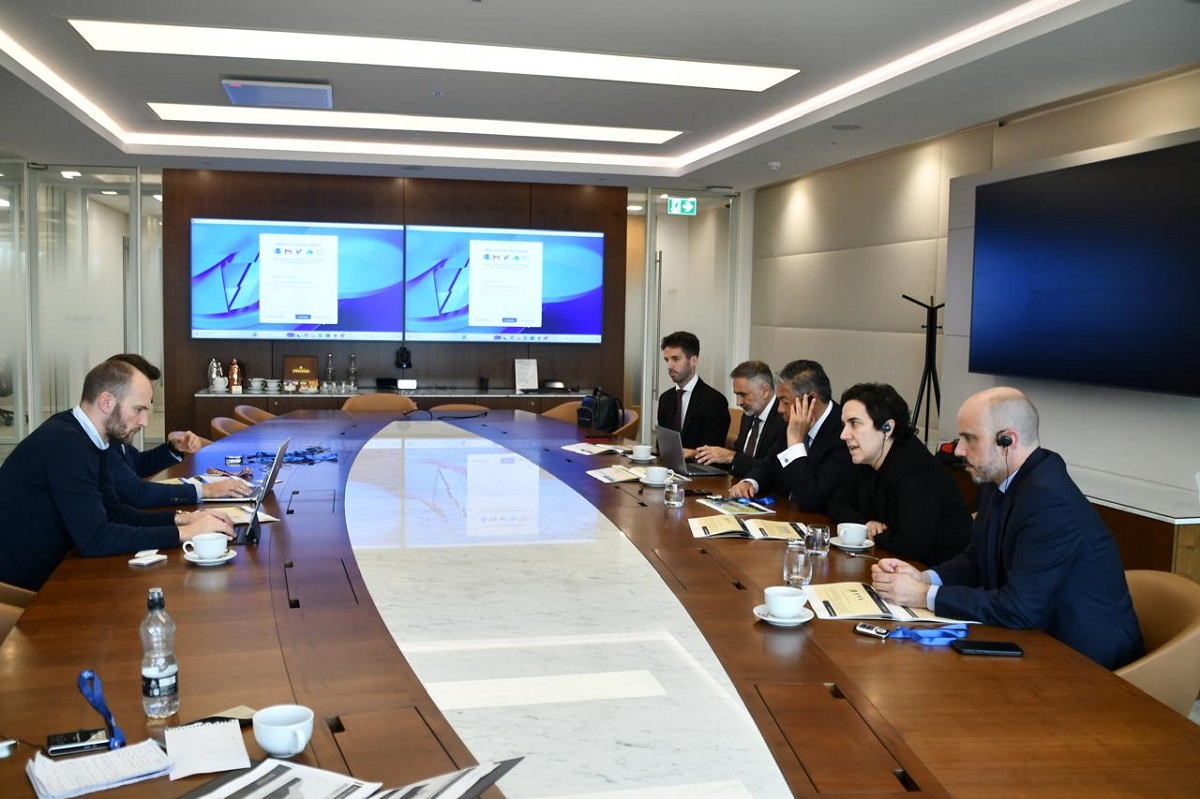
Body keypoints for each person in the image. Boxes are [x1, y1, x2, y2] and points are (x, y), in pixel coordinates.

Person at [871, 387, 1143, 670]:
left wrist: (922, 596)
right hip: (1035, 639)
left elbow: (1018, 607)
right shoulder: (999, 479)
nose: (959, 450)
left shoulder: (1049, 501)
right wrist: (926, 578)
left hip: (1086, 661)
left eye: (969, 439)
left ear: (1007, 440)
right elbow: (977, 558)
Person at [0, 359, 234, 591]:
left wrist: (182, 519)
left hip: (53, 572)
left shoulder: (87, 438)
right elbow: (96, 539)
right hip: (26, 591)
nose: (144, 422)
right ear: (106, 402)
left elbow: (114, 512)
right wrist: (185, 534)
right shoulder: (67, 445)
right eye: (138, 409)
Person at [827, 383, 970, 564]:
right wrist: (866, 525)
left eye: (854, 423)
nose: (844, 434)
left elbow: (912, 545)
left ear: (887, 427)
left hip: (936, 576)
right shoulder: (869, 459)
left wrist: (873, 534)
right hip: (896, 565)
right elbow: (836, 504)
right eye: (844, 424)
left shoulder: (917, 469)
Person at [106, 354, 252, 507]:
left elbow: (136, 464)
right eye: (139, 407)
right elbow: (137, 493)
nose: (145, 421)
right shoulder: (99, 443)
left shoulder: (114, 434)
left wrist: (174, 449)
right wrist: (204, 490)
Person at [728, 359, 853, 513]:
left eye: (785, 402)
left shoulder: (843, 432)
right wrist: (749, 482)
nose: (780, 409)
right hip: (785, 513)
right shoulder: (790, 422)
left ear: (811, 399)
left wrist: (795, 443)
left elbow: (811, 498)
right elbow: (768, 466)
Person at [695, 360, 786, 477]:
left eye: (743, 395)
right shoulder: (748, 415)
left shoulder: (783, 419)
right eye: (736, 395)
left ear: (764, 390)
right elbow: (739, 458)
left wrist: (731, 457)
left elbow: (774, 469)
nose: (738, 402)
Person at [655, 331, 730, 454]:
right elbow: (662, 444)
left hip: (700, 470)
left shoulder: (714, 401)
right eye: (666, 360)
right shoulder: (665, 399)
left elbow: (714, 452)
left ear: (693, 361)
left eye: (675, 359)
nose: (669, 365)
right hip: (667, 468)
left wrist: (691, 454)